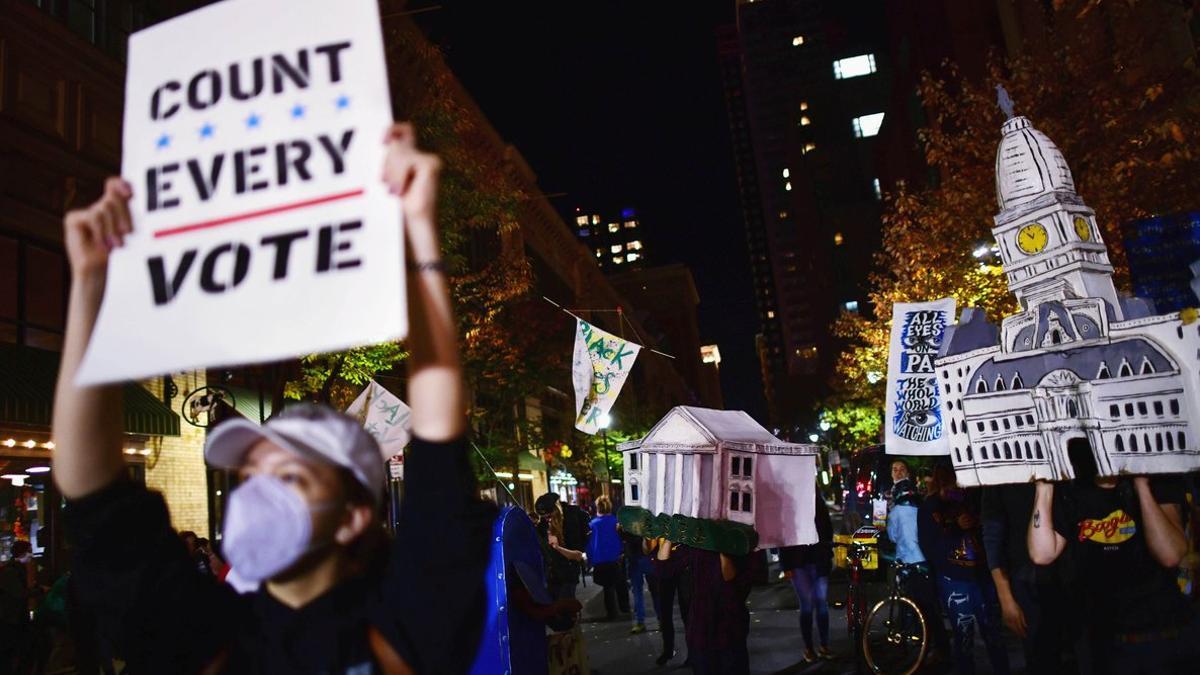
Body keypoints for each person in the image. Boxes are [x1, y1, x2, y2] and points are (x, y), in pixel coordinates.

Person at [50, 123, 496, 672]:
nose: (258, 495)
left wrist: (417, 231)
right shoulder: (199, 632)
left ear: (354, 517)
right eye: (254, 476)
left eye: (290, 478)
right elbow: (95, 499)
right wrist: (90, 284)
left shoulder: (402, 626)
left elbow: (437, 436)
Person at [1028, 443, 1200, 674]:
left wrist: (1141, 486)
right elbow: (1042, 553)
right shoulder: (1073, 491)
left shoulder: (1159, 480)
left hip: (1164, 632)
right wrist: (1044, 488)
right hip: (1104, 639)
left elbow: (1170, 555)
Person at [918, 464, 1009, 675]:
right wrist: (955, 528)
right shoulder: (931, 507)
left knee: (993, 633)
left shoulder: (975, 498)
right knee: (964, 635)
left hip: (982, 575)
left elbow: (992, 528)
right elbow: (930, 545)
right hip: (954, 580)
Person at [982, 482, 1079, 674]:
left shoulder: (1069, 466)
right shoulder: (1000, 475)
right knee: (1042, 659)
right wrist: (1006, 598)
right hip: (1029, 584)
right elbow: (993, 536)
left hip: (1077, 580)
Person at [656, 540, 753, 675]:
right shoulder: (695, 544)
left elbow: (732, 585)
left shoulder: (736, 542)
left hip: (729, 626)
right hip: (700, 628)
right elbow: (664, 570)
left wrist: (720, 545)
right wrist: (668, 536)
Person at [886, 477, 948, 659]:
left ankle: (920, 646)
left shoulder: (896, 512)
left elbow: (892, 537)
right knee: (929, 607)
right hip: (926, 562)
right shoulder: (921, 508)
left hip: (908, 563)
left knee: (911, 606)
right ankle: (933, 645)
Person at [779, 489, 834, 662]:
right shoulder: (789, 503)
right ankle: (809, 648)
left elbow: (827, 530)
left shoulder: (818, 502)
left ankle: (824, 645)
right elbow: (784, 534)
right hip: (798, 561)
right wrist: (786, 564)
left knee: (821, 604)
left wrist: (827, 553)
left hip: (818, 559)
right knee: (807, 605)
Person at [534, 495, 586, 601]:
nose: (547, 520)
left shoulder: (570, 522)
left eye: (549, 516)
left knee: (564, 606)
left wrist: (557, 547)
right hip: (552, 576)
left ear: (556, 511)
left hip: (568, 574)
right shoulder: (542, 525)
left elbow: (578, 555)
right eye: (543, 517)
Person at [648, 537, 691, 666]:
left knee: (687, 613)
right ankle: (668, 650)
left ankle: (693, 653)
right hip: (664, 569)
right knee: (665, 613)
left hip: (684, 567)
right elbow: (647, 549)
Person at [586, 496, 629, 620]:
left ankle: (612, 612)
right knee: (620, 582)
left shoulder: (593, 524)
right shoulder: (616, 521)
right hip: (616, 557)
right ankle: (624, 607)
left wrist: (590, 559)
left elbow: (590, 543)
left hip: (600, 559)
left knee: (607, 587)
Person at [0, 541, 34, 673]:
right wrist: (37, 591)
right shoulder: (10, 571)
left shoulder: (16, 569)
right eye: (29, 551)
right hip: (10, 618)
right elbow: (19, 593)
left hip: (15, 618)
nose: (31, 555)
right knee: (10, 651)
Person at [621, 527, 657, 634]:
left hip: (635, 558)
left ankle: (640, 621)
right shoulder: (647, 516)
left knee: (637, 591)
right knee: (655, 591)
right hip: (646, 557)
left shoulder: (626, 520)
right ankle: (660, 618)